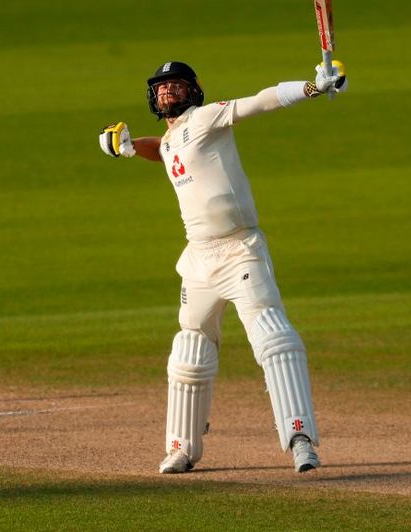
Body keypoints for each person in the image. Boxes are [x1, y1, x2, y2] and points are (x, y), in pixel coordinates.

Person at [98, 60, 347, 474]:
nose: (167, 93)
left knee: (274, 338)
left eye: (175, 86)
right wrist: (126, 147)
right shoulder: (170, 139)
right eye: (161, 88)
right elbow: (162, 151)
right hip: (198, 258)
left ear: (193, 90)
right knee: (189, 350)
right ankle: (182, 447)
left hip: (240, 249)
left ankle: (300, 439)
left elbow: (260, 102)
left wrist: (312, 87)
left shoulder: (208, 116)